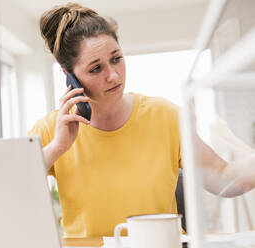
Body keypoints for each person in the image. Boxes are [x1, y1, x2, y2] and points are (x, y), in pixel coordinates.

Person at [28, 2, 255, 238]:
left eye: (116, 59)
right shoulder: (51, 129)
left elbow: (224, 177)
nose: (113, 76)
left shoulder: (166, 116)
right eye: (96, 69)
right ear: (70, 77)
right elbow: (8, 188)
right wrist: (57, 147)